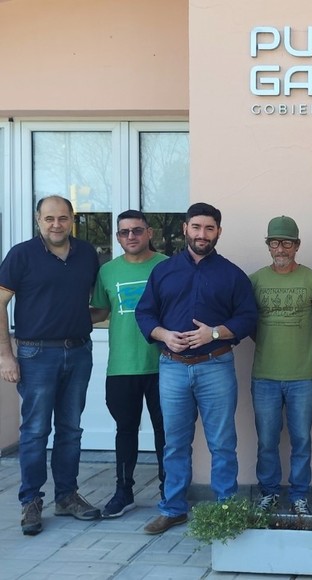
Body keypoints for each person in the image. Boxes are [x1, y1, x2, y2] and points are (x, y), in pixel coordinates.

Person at [135, 202, 257, 535]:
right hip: (172, 367)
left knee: (222, 442)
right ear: (185, 228)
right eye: (196, 227)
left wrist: (214, 332)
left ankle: (226, 509)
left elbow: (247, 318)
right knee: (174, 443)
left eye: (209, 228)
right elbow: (144, 314)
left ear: (218, 232)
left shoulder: (232, 274)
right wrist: (163, 335)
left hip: (215, 365)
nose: (202, 234)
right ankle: (173, 508)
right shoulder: (163, 271)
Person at [0, 195, 101, 535]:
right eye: (49, 219)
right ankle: (30, 501)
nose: (56, 224)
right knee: (35, 431)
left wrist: (82, 320)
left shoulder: (87, 254)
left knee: (71, 429)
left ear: (73, 219)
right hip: (35, 354)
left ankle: (67, 496)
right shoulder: (21, 255)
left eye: (62, 218)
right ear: (37, 220)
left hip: (78, 352)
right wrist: (5, 355)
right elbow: (0, 303)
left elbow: (98, 303)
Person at [90, 210, 168, 518]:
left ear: (149, 232)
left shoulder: (166, 266)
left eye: (137, 230)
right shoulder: (107, 271)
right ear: (118, 237)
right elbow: (99, 312)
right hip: (122, 367)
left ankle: (169, 490)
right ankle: (124, 491)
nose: (131, 236)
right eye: (124, 232)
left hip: (164, 364)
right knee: (125, 430)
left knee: (166, 432)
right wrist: (61, 319)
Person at [249, 216, 312, 515]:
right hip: (264, 375)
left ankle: (299, 496)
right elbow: (250, 324)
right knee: (267, 440)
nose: (280, 248)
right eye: (275, 242)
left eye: (287, 243)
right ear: (268, 245)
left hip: (302, 376)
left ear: (297, 245)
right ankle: (268, 493)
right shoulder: (255, 280)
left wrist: (303, 344)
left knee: (301, 440)